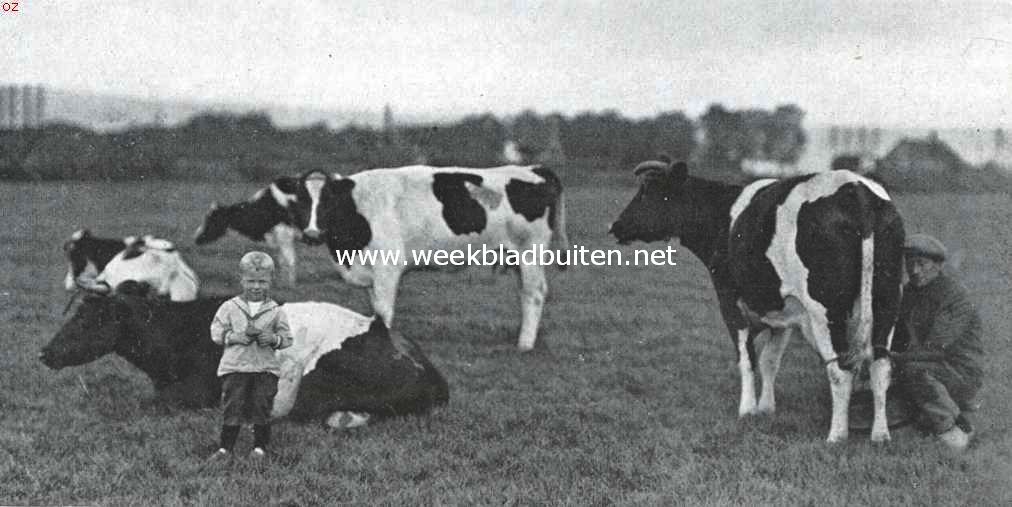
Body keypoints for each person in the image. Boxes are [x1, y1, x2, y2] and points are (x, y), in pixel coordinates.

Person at [891, 233, 984, 452]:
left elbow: (937, 349)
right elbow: (900, 336)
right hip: (930, 366)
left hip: (960, 372)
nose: (914, 271)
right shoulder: (911, 292)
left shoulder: (954, 295)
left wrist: (893, 357)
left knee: (913, 372)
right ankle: (931, 413)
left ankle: (954, 430)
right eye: (910, 263)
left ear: (938, 265)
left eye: (922, 264)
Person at [208, 251, 293, 461]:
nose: (256, 287)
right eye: (251, 281)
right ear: (241, 279)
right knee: (233, 405)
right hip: (235, 367)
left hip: (265, 368)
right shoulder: (229, 307)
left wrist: (272, 340)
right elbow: (216, 333)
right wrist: (234, 337)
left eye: (262, 282)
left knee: (262, 405)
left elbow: (287, 338)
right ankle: (225, 448)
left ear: (271, 281)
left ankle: (259, 448)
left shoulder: (276, 311)